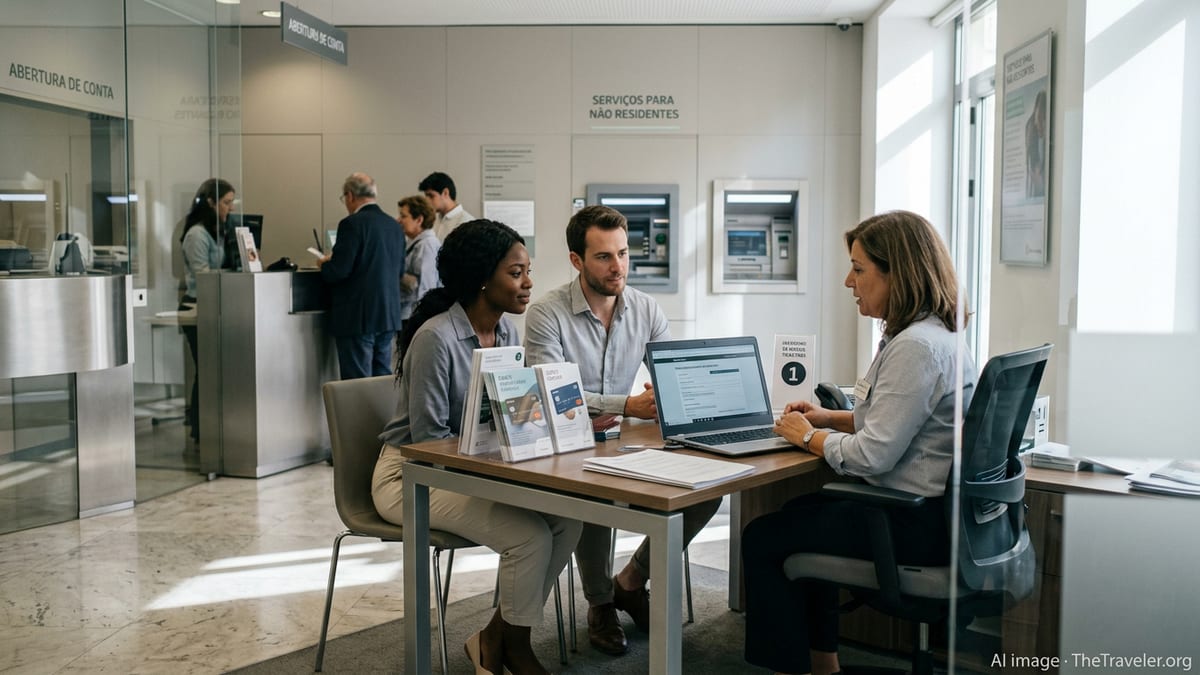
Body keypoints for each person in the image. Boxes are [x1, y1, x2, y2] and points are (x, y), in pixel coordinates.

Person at [741, 210, 979, 675]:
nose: (848, 281)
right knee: (796, 516)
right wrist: (831, 417)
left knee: (764, 538)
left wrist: (809, 436)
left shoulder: (916, 347)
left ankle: (790, 667)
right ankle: (823, 664)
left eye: (859, 268)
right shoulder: (933, 335)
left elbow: (873, 454)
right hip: (936, 516)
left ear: (899, 273)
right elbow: (898, 420)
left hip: (910, 524)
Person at [373, 219, 581, 675]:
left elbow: (509, 416)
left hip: (472, 467)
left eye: (528, 271)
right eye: (516, 273)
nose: (528, 284)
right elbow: (428, 443)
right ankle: (515, 649)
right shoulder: (435, 339)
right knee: (528, 536)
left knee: (567, 520)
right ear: (483, 279)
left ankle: (494, 639)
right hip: (410, 477)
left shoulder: (506, 335)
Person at [524, 205, 721, 656]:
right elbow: (556, 393)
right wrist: (628, 405)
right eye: (604, 257)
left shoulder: (646, 308)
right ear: (577, 261)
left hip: (621, 440)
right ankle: (600, 604)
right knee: (592, 491)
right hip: (564, 445)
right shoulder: (546, 314)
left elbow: (673, 373)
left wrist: (683, 393)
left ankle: (631, 580)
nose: (618, 267)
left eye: (624, 253)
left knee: (707, 488)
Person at [319, 172, 406, 379]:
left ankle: (359, 414)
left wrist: (324, 265)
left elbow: (339, 271)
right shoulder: (394, 226)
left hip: (357, 317)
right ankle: (382, 414)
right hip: (388, 315)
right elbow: (399, 271)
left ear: (350, 196)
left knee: (356, 383)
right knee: (382, 380)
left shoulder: (351, 224)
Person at [178, 177, 234, 443]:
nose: (230, 209)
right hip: (196, 307)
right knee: (206, 369)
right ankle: (200, 428)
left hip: (218, 307)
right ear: (211, 203)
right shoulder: (197, 235)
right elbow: (203, 277)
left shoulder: (219, 231)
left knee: (217, 369)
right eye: (226, 203)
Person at [396, 194, 440, 328]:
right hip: (407, 314)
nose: (398, 220)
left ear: (419, 219)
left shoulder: (427, 245)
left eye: (403, 216)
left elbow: (426, 287)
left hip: (416, 318)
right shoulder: (413, 243)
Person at [419, 171, 475, 241]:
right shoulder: (433, 219)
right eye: (426, 196)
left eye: (431, 196)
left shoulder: (466, 222)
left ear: (445, 193)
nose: (426, 200)